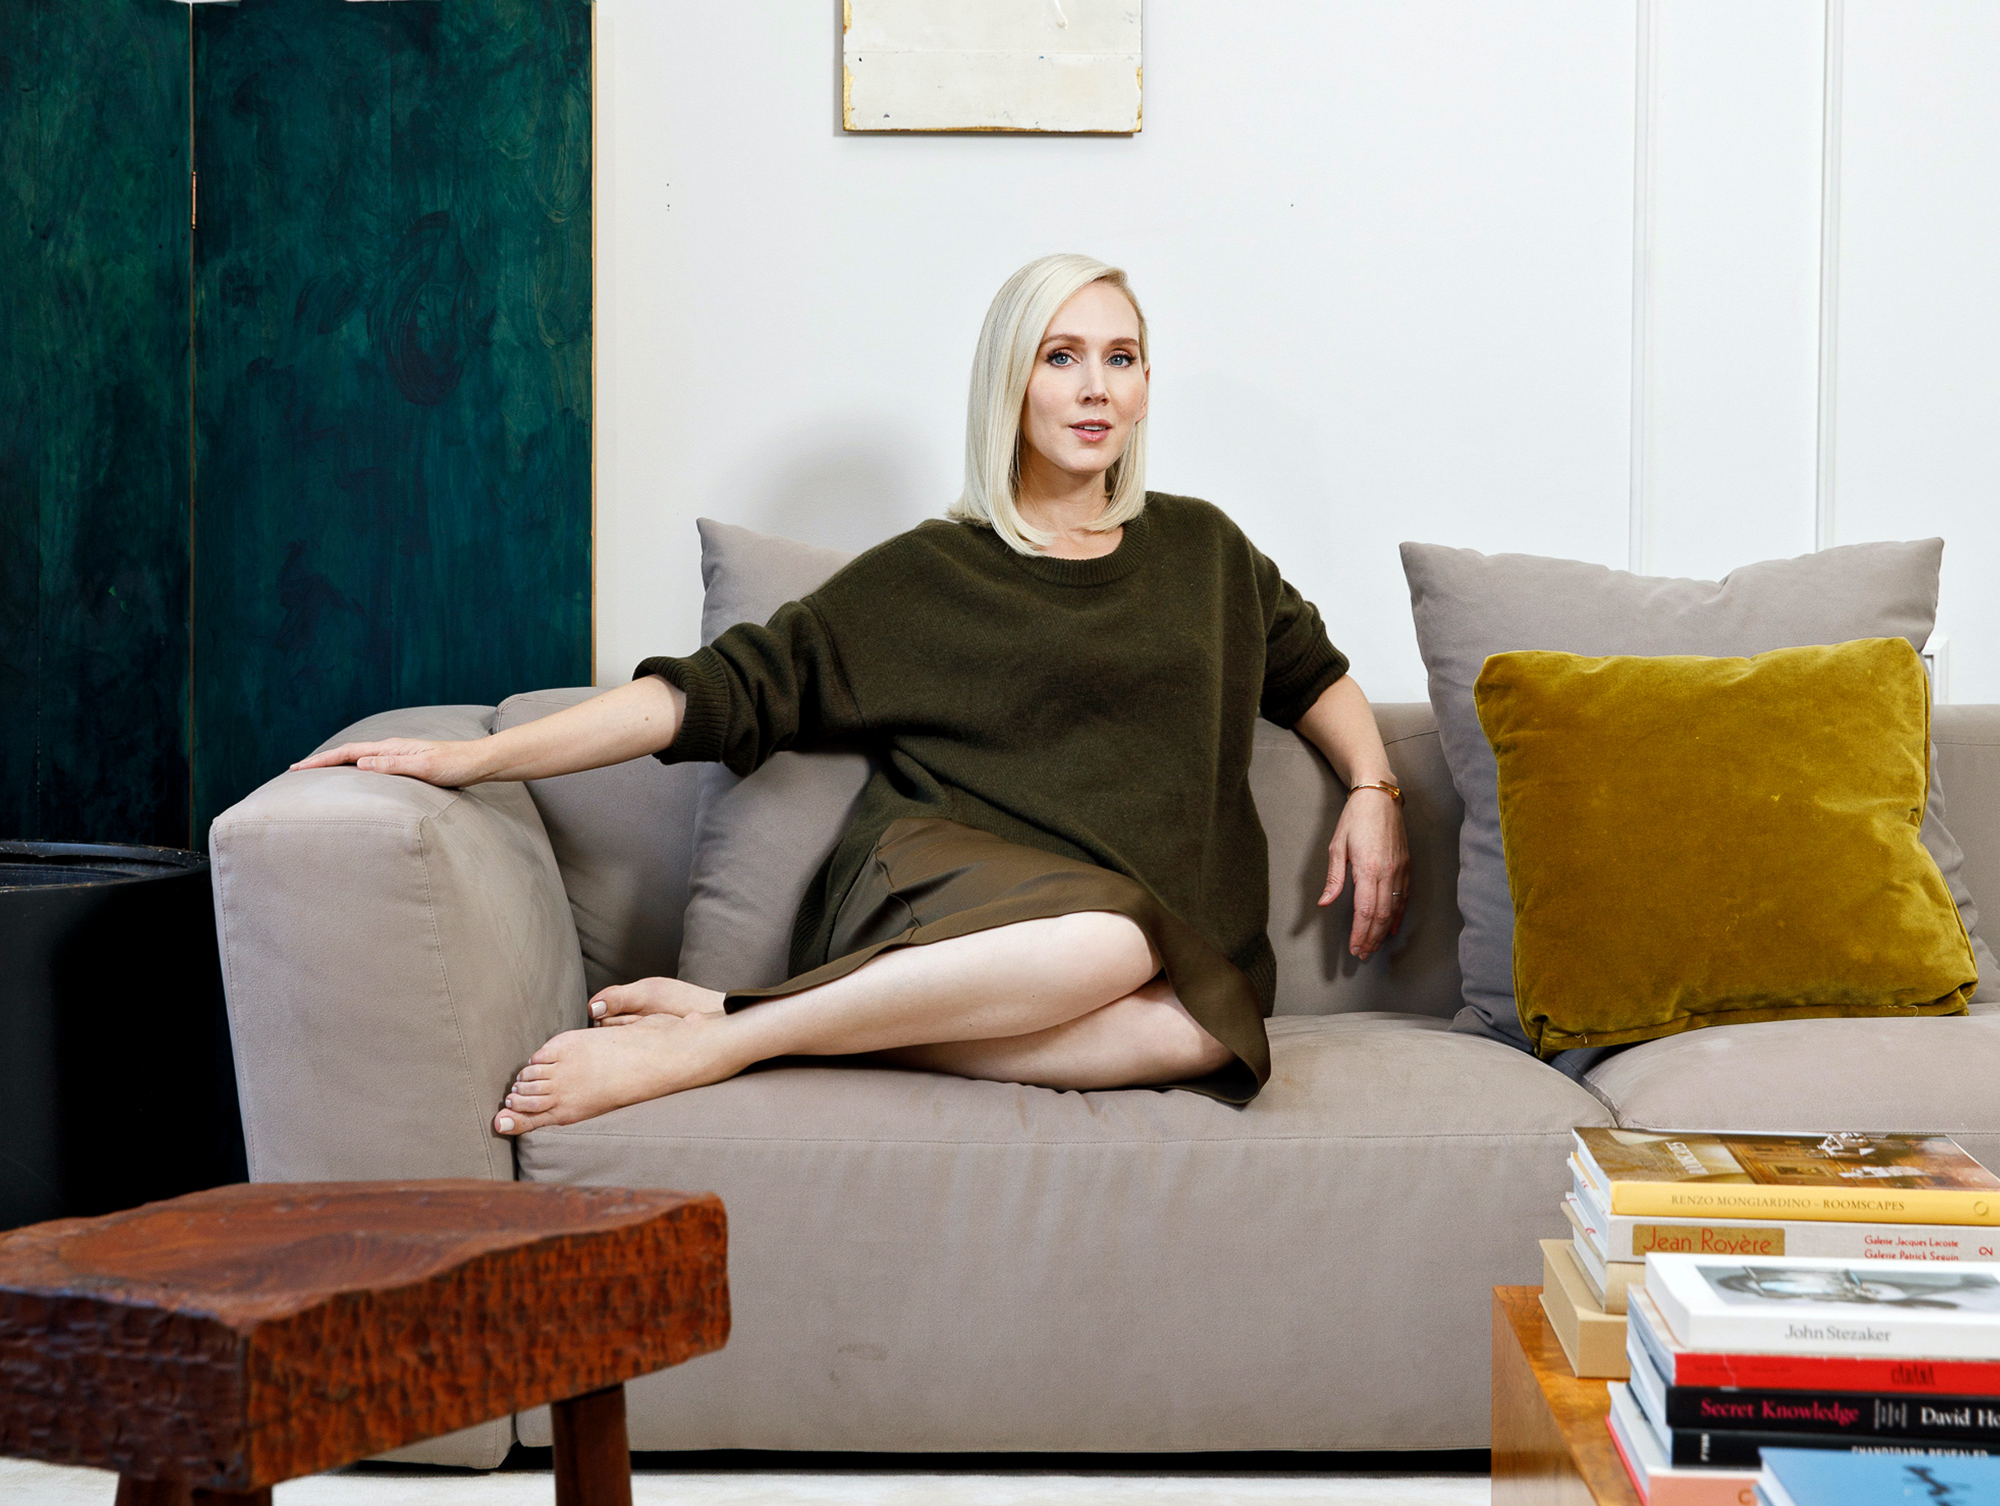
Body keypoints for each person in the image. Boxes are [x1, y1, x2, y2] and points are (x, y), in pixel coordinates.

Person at [294, 254, 1411, 1131]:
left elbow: (1310, 672)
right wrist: (478, 757)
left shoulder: (1204, 549)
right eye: (1060, 356)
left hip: (1138, 932)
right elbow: (710, 695)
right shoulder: (933, 572)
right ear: (1010, 380)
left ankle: (753, 1019)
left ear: (1146, 385)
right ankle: (721, 1047)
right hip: (943, 883)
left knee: (1205, 1032)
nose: (1094, 388)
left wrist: (1372, 786)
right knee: (1115, 943)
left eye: (1121, 358)